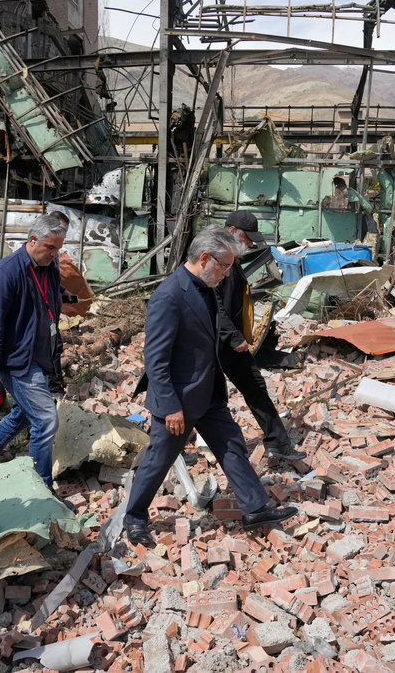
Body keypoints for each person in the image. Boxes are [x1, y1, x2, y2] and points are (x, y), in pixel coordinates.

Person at [123, 226, 298, 547]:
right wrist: (170, 406)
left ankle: (255, 508)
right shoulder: (169, 296)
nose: (228, 273)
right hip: (178, 400)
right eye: (225, 265)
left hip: (208, 393)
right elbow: (156, 360)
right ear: (205, 258)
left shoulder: (206, 287)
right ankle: (134, 517)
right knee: (159, 459)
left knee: (232, 446)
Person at [0, 215, 65, 488]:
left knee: (23, 413)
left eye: (58, 249)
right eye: (50, 248)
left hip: (39, 357)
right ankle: (40, 486)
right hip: (17, 360)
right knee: (45, 420)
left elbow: (49, 303)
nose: (55, 254)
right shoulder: (7, 271)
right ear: (32, 241)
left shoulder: (49, 267)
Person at [218, 211, 304, 461]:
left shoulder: (232, 260)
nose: (251, 244)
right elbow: (214, 306)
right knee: (199, 400)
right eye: (247, 238)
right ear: (232, 231)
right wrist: (232, 336)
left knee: (256, 388)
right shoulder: (217, 260)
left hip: (233, 346)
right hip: (214, 344)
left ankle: (279, 445)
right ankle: (166, 449)